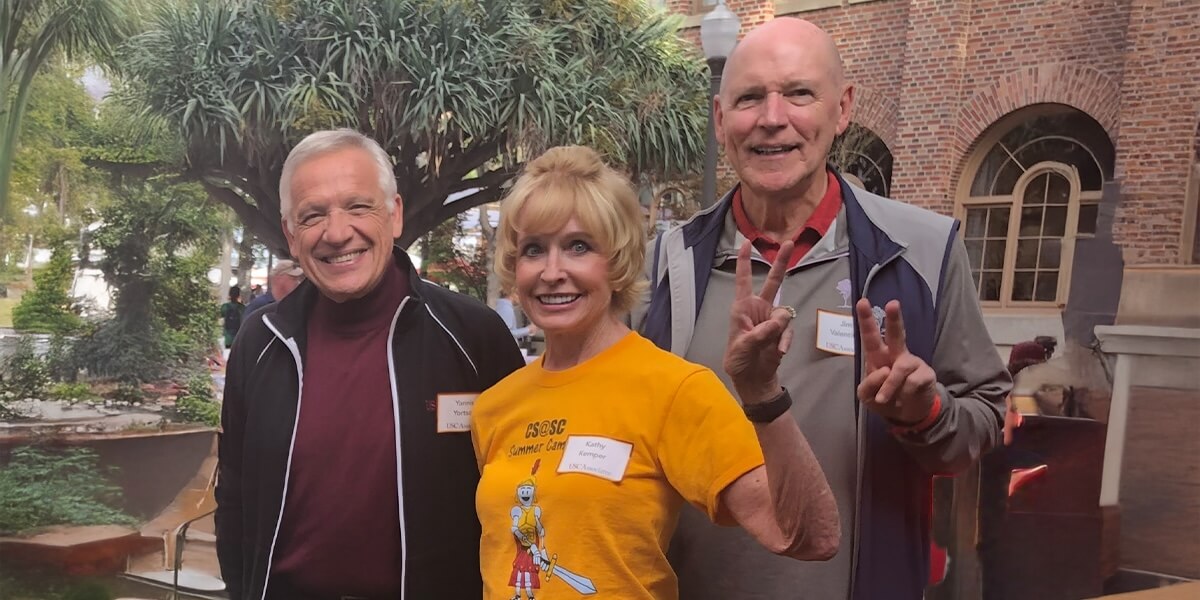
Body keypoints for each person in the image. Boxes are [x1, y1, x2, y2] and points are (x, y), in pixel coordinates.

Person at [635, 17, 1012, 600]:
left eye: (800, 93)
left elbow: (983, 421)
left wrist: (925, 412)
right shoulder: (662, 266)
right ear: (719, 119)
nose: (772, 117)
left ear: (842, 109)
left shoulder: (922, 252)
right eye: (750, 98)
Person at [472, 146, 840, 600]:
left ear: (618, 260)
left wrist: (763, 393)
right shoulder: (495, 406)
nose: (552, 272)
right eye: (533, 249)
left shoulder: (673, 389)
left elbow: (810, 537)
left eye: (578, 247)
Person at [215, 129, 525, 600]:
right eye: (313, 215)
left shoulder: (471, 336)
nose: (338, 233)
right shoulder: (262, 343)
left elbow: (522, 490)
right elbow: (234, 494)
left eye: (358, 206)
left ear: (395, 214)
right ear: (291, 234)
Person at [219, 286, 244, 350]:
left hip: (227, 338)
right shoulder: (242, 308)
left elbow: (220, 317)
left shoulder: (225, 307)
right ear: (238, 295)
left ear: (229, 294)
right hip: (238, 338)